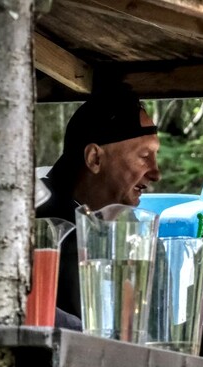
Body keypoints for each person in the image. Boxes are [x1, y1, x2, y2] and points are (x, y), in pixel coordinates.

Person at [36, 86, 162, 328]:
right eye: (144, 156)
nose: (156, 173)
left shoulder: (119, 231)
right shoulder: (40, 224)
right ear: (95, 158)